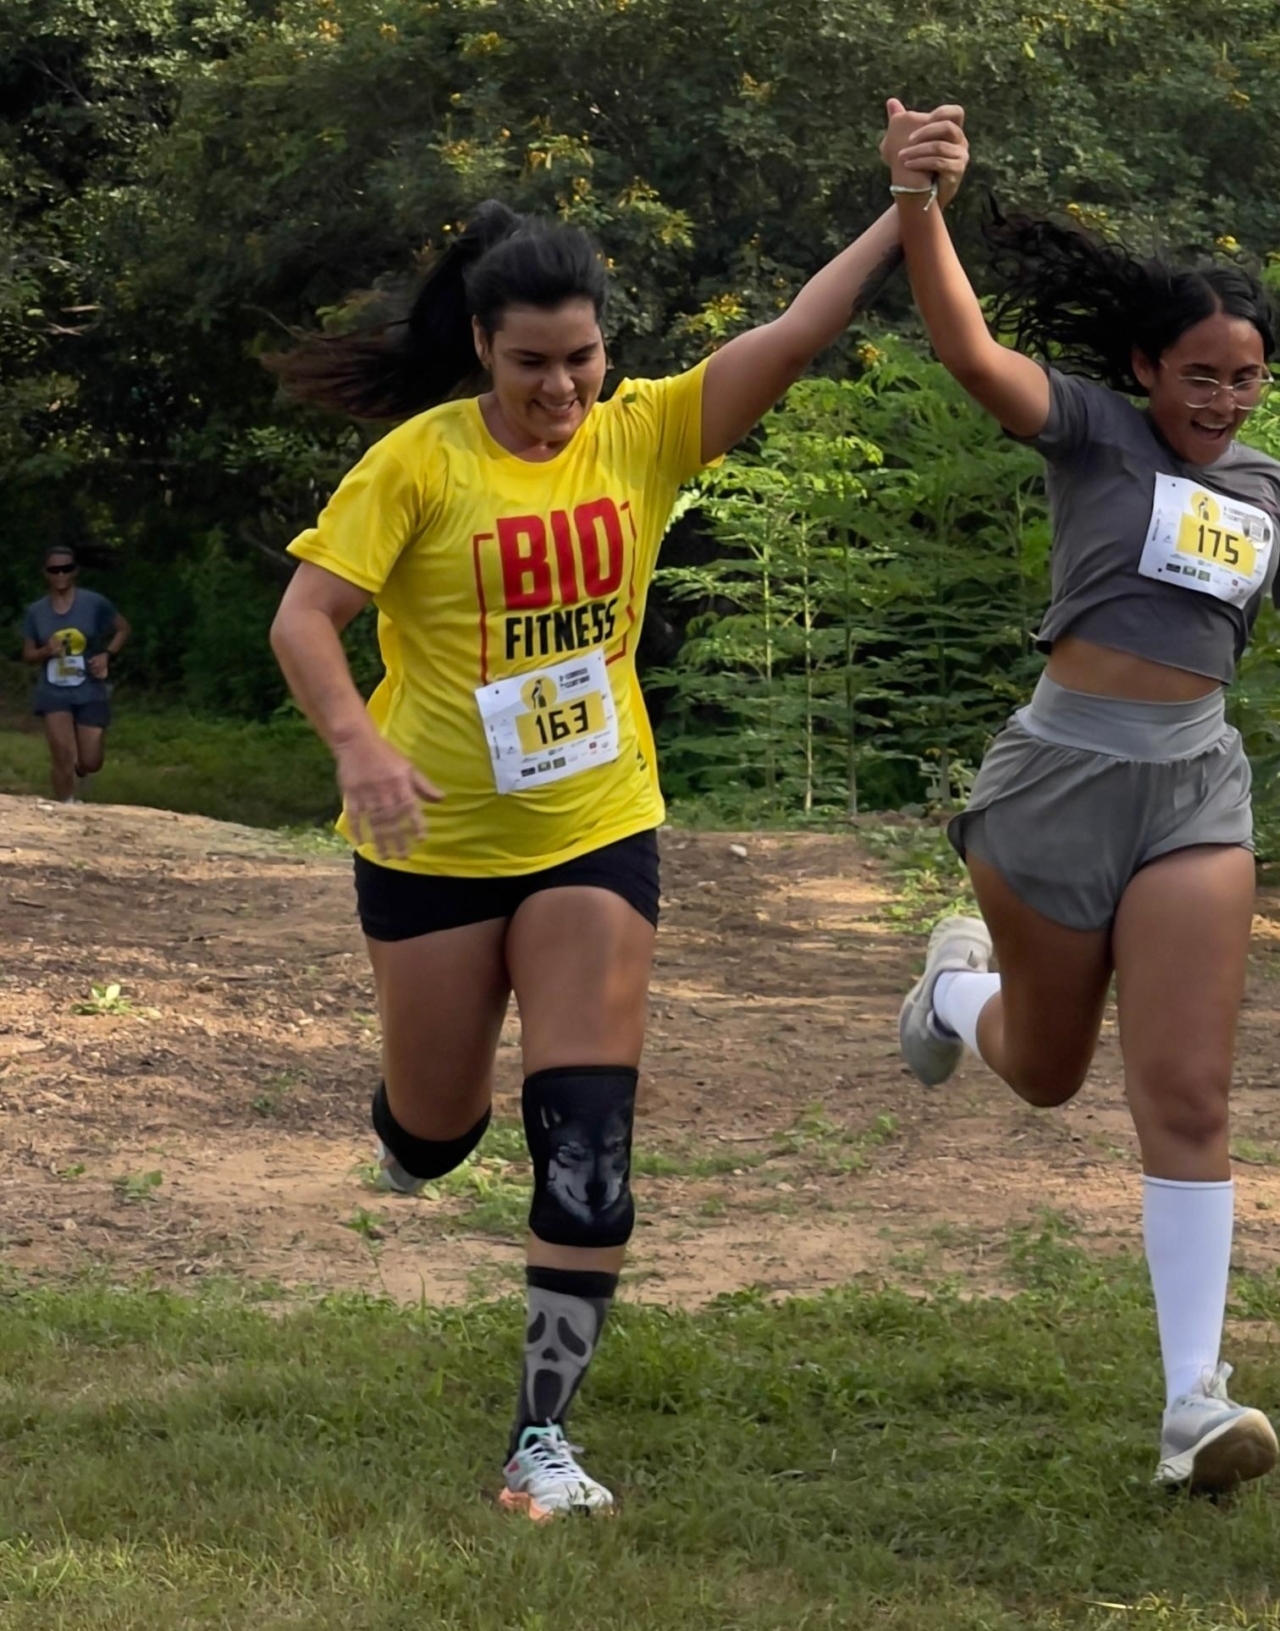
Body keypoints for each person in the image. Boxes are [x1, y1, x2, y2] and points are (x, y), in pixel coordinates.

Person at [267, 105, 968, 1521]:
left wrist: (909, 202)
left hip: (595, 825)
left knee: (586, 1139)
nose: (562, 387)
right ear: (483, 346)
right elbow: (306, 616)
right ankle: (412, 1134)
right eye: (532, 362)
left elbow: (799, 331)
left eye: (582, 356)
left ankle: (539, 1438)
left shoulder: (643, 435)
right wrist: (358, 746)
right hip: (434, 842)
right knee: (438, 1125)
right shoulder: (419, 463)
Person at [882, 103, 1280, 1495]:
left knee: (1192, 1094)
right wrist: (920, 204)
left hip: (1195, 795)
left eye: (1247, 378)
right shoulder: (1092, 431)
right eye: (1200, 375)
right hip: (1056, 782)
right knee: (1046, 1071)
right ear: (1147, 366)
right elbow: (969, 350)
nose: (1222, 401)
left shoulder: (1275, 493)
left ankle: (1192, 1402)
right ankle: (954, 995)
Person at [19, 547, 130, 804]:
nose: (60, 574)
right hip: (53, 690)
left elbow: (123, 629)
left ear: (75, 571)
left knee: (91, 761)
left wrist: (107, 655)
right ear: (46, 573)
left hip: (89, 688)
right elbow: (28, 654)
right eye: (54, 570)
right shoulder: (36, 612)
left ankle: (82, 766)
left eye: (66, 569)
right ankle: (66, 807)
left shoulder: (94, 603)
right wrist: (45, 651)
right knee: (62, 753)